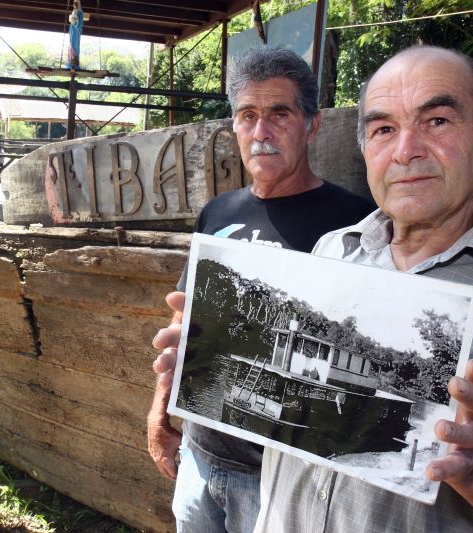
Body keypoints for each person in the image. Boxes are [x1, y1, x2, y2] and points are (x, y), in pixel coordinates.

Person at [148, 47, 375, 533]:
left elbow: (366, 349)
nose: (261, 132)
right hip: (199, 455)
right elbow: (182, 320)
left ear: (311, 126)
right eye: (248, 116)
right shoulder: (218, 214)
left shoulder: (356, 224)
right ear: (233, 127)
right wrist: (159, 412)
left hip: (285, 479)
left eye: (279, 114)